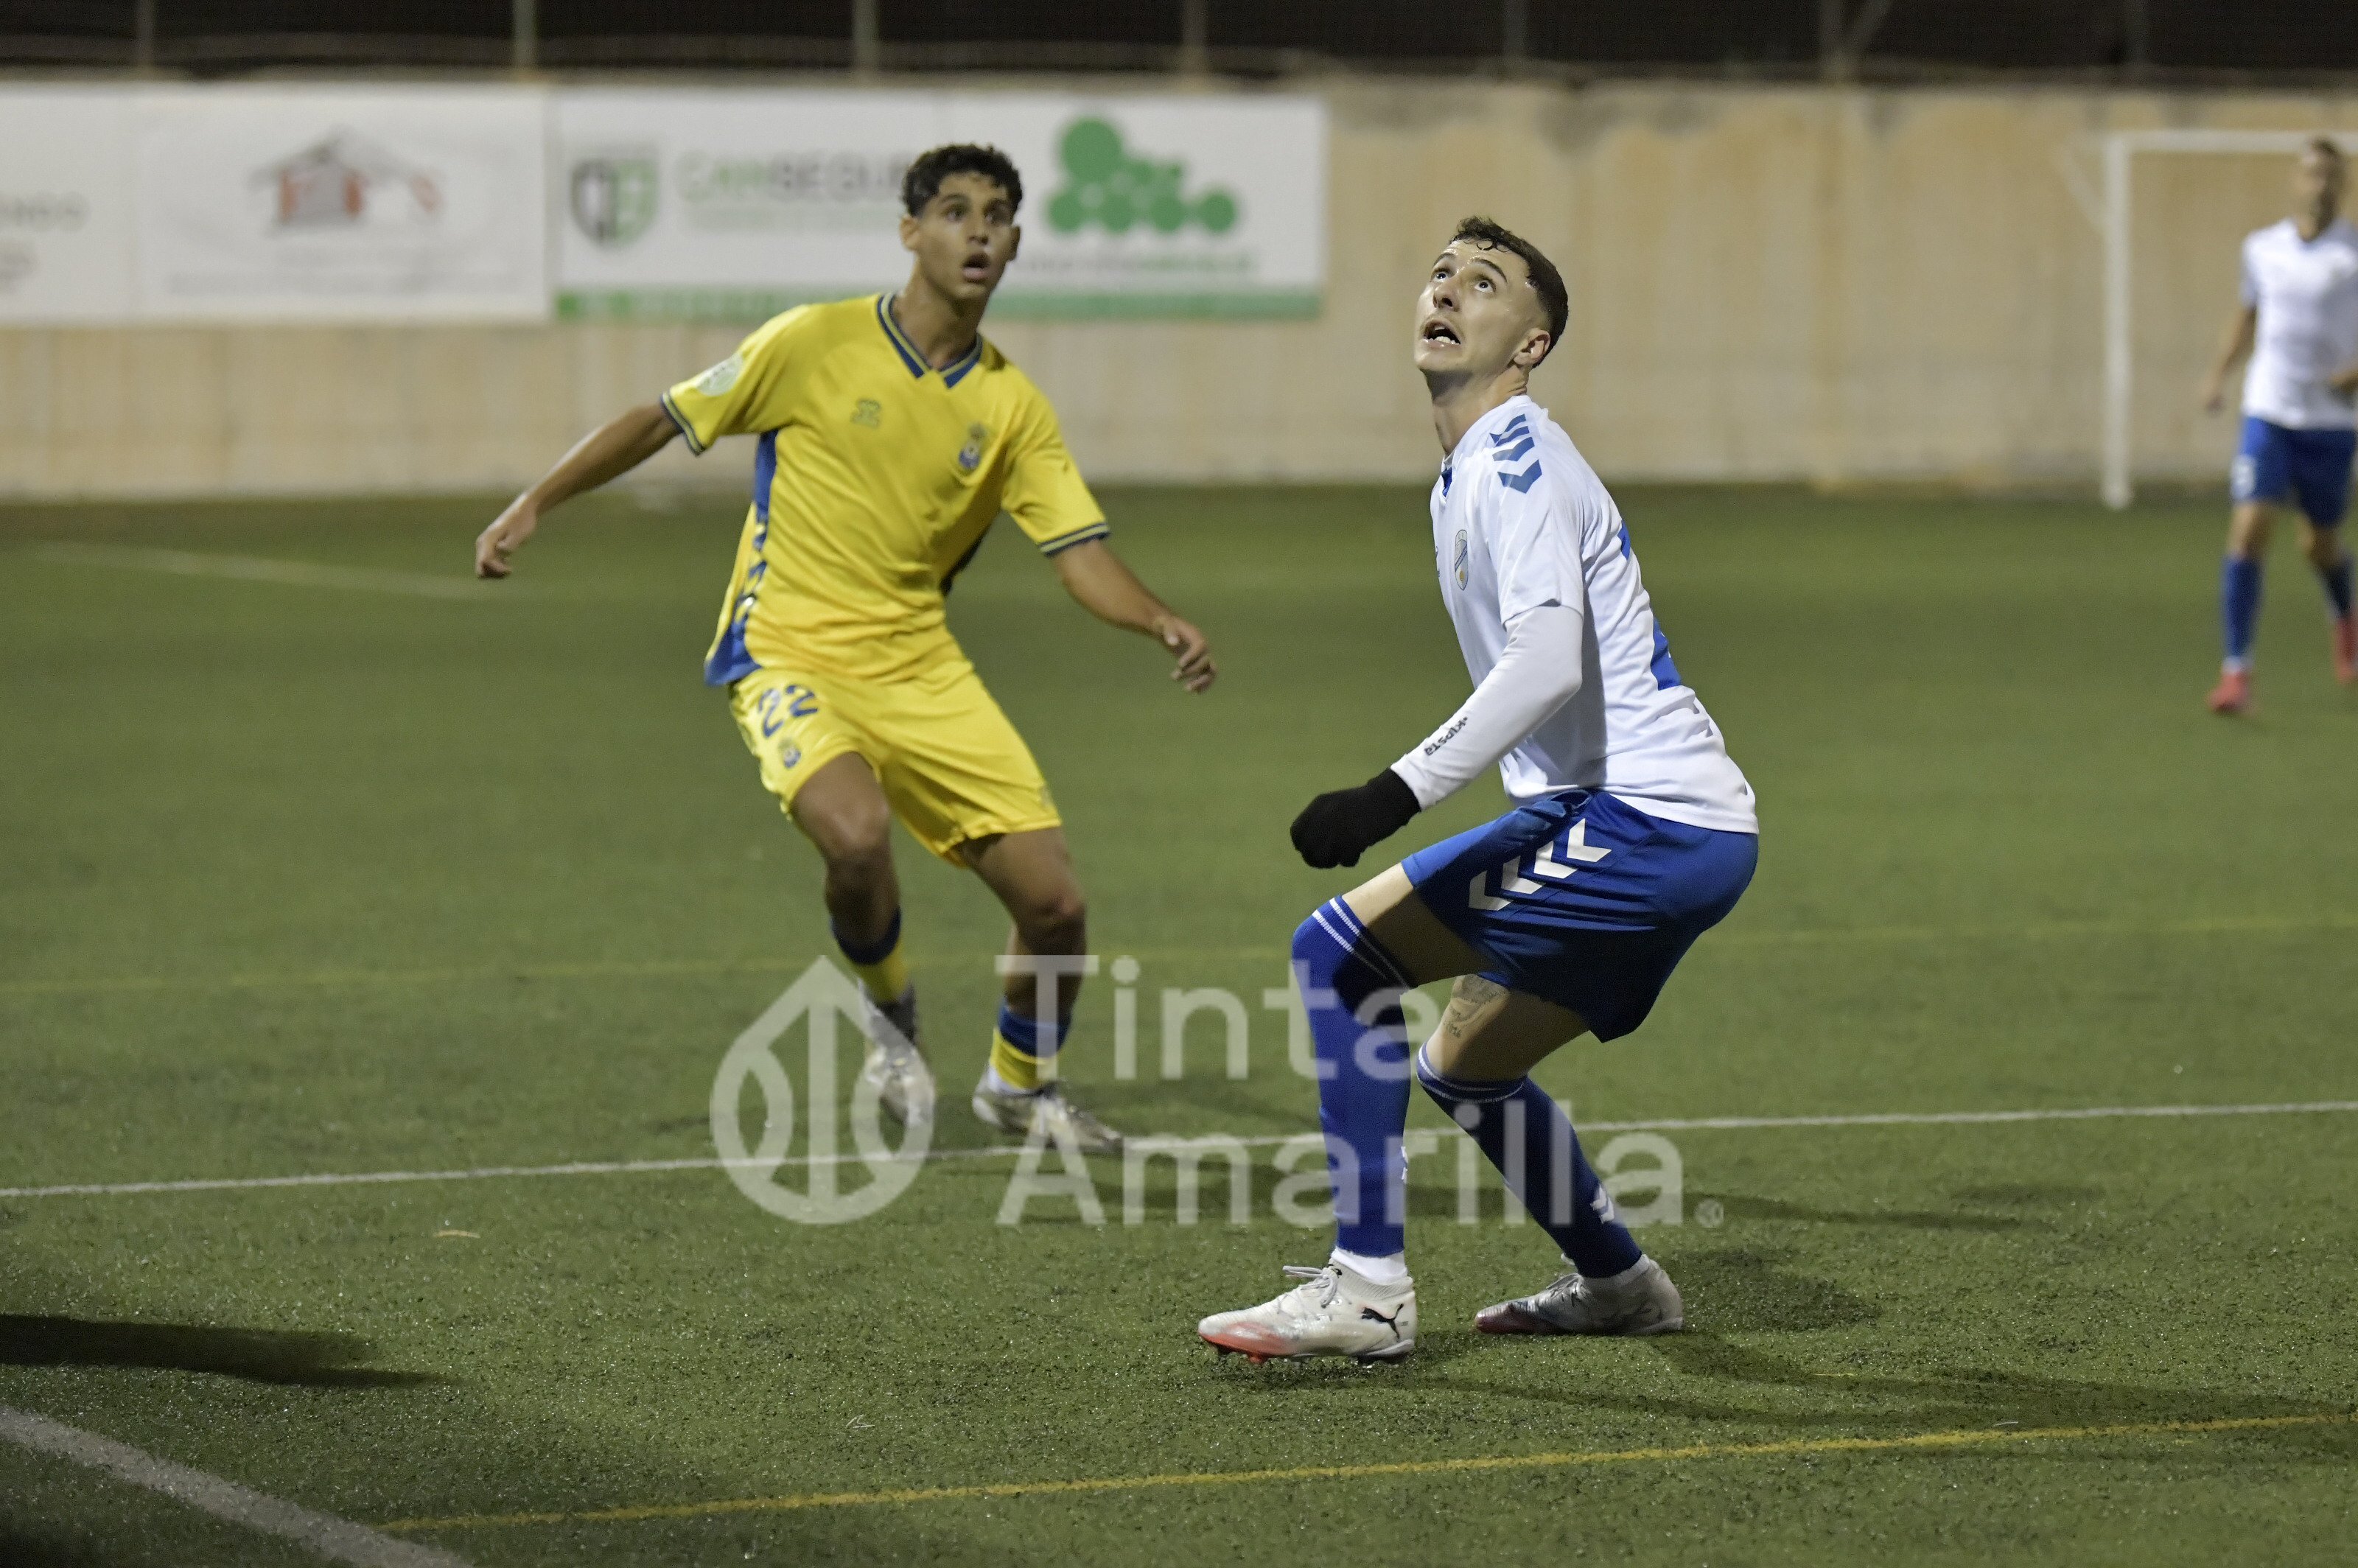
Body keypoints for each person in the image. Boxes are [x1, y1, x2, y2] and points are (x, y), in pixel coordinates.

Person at [473, 144, 1216, 1154]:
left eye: (998, 214)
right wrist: (535, 503)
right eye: (955, 212)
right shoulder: (815, 343)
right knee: (855, 835)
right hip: (786, 651)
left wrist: (1159, 618)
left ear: (1017, 241)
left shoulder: (1010, 407)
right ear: (911, 232)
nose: (980, 231)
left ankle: (1019, 1087)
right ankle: (891, 1007)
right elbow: (663, 417)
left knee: (1056, 905)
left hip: (921, 667)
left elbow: (1078, 553)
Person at [1195, 218, 1757, 1362]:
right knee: (1468, 1066)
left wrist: (1388, 794)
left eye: (1486, 282)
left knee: (1337, 955)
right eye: (1442, 270)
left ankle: (1368, 1292)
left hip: (1652, 819)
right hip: (1633, 819)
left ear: (1531, 342)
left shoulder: (1515, 459)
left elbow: (1545, 667)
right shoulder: (1470, 469)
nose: (1449, 289)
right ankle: (1621, 1283)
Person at [2200, 137, 2358, 715]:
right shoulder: (2263, 249)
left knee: (2319, 544)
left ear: (2342, 185)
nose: (2320, 185)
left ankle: (2345, 616)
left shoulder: (2353, 253)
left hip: (2332, 421)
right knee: (2248, 529)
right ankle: (2237, 672)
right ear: (2296, 180)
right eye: (2312, 174)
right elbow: (2248, 315)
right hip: (2269, 409)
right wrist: (2219, 374)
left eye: (2331, 176)